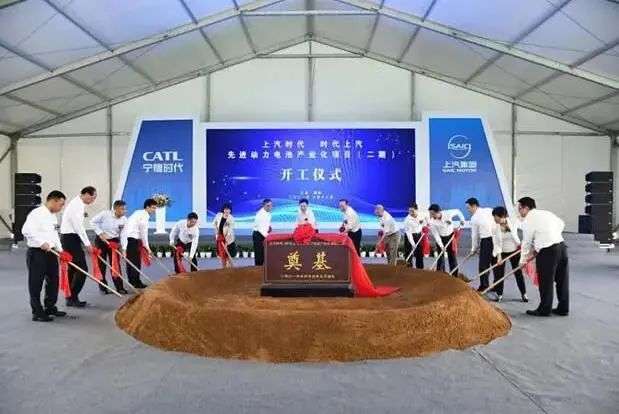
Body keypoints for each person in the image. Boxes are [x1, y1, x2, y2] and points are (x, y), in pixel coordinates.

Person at [517, 197, 569, 317]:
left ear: (526, 208)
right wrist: (551, 235)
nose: (519, 212)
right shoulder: (546, 213)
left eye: (520, 208)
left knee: (546, 281)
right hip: (562, 246)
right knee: (562, 280)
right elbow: (561, 223)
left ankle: (544, 309)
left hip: (548, 251)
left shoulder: (528, 220)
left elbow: (526, 242)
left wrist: (522, 260)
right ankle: (563, 308)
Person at [22, 191, 67, 322]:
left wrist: (61, 250)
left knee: (53, 280)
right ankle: (37, 312)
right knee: (36, 282)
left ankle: (50, 307)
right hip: (37, 253)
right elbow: (26, 230)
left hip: (51, 253)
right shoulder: (37, 213)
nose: (61, 208)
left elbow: (55, 235)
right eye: (61, 204)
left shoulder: (53, 217)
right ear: (53, 200)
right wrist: (41, 242)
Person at [60, 186, 97, 307]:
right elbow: (78, 227)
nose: (93, 200)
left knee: (73, 269)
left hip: (71, 238)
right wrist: (88, 244)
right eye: (93, 197)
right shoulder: (77, 205)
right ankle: (72, 296)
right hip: (70, 238)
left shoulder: (78, 204)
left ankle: (70, 297)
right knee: (82, 269)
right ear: (86, 194)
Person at [90, 200, 129, 294]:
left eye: (125, 209)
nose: (125, 211)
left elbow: (124, 235)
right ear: (115, 209)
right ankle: (103, 287)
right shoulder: (105, 214)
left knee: (115, 264)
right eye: (122, 209)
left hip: (114, 242)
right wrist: (100, 233)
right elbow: (92, 222)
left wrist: (124, 249)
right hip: (101, 241)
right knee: (101, 264)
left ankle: (119, 287)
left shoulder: (124, 219)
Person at [491, 206, 528, 303]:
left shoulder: (513, 222)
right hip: (502, 252)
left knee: (518, 272)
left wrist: (523, 244)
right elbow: (496, 243)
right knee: (499, 274)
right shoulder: (494, 227)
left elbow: (524, 225)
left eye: (495, 216)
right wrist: (499, 257)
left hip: (514, 251)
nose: (494, 219)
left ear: (501, 216)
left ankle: (524, 293)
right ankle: (499, 294)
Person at [121, 199, 157, 288]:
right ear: (147, 207)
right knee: (135, 262)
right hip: (133, 240)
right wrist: (147, 248)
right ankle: (136, 282)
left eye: (155, 208)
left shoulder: (137, 212)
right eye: (153, 208)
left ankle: (132, 281)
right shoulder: (144, 216)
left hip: (128, 239)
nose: (154, 210)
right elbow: (143, 233)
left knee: (131, 262)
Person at [466, 197, 496, 292]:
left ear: (474, 206)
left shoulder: (474, 218)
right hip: (496, 239)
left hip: (486, 241)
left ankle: (484, 286)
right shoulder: (489, 210)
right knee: (495, 263)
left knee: (483, 265)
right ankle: (497, 286)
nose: (468, 210)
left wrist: (473, 249)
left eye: (468, 208)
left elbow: (474, 235)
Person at [428, 204, 464, 273]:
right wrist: (441, 246)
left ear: (438, 212)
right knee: (440, 257)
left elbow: (458, 211)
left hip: (450, 237)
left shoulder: (448, 213)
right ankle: (440, 273)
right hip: (440, 238)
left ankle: (454, 274)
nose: (431, 216)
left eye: (433, 214)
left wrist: (462, 220)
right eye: (430, 214)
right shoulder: (432, 222)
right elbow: (436, 235)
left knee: (452, 256)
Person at [403, 202, 426, 269]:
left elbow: (427, 220)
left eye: (412, 211)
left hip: (418, 235)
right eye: (409, 211)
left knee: (419, 253)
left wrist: (426, 225)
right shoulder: (407, 220)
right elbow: (409, 234)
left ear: (417, 210)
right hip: (409, 236)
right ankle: (408, 268)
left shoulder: (422, 215)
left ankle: (420, 269)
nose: (410, 213)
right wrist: (413, 244)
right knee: (408, 253)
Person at [252, 199, 272, 266]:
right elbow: (260, 228)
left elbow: (267, 224)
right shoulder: (260, 214)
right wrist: (268, 237)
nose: (270, 207)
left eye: (271, 205)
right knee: (259, 255)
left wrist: (269, 227)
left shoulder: (268, 213)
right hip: (258, 235)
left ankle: (262, 268)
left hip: (264, 234)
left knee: (264, 254)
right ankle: (258, 269)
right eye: (268, 206)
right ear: (263, 205)